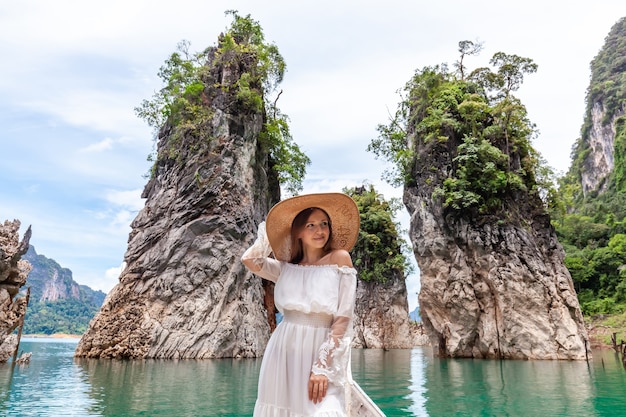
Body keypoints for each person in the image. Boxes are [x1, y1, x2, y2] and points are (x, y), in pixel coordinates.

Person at [241, 192, 360, 417]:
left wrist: (322, 366)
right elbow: (250, 260)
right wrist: (269, 234)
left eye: (324, 224)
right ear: (297, 232)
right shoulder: (285, 268)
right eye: (311, 225)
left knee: (326, 410)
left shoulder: (340, 259)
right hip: (282, 350)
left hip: (321, 349)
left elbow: (343, 318)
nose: (320, 230)